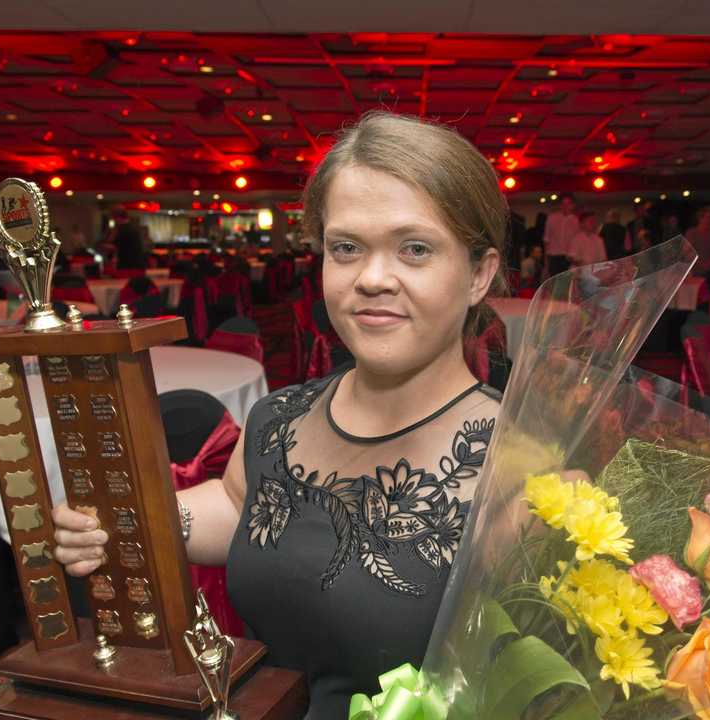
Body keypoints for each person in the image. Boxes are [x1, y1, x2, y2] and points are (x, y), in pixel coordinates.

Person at [50, 112, 504, 719]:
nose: (371, 278)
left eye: (414, 249)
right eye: (346, 248)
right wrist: (130, 519)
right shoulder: (280, 418)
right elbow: (242, 507)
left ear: (479, 274)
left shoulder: (522, 462)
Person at [543, 194, 578, 275]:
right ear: (559, 205)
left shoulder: (575, 220)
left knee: (568, 282)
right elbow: (546, 239)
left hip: (569, 257)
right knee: (555, 281)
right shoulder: (551, 218)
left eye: (568, 204)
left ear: (572, 205)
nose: (565, 206)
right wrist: (546, 260)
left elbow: (576, 241)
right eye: (563, 204)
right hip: (554, 256)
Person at [685, 208, 710, 273]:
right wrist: (701, 264)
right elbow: (688, 252)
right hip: (695, 269)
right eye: (708, 217)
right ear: (700, 219)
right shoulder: (691, 233)